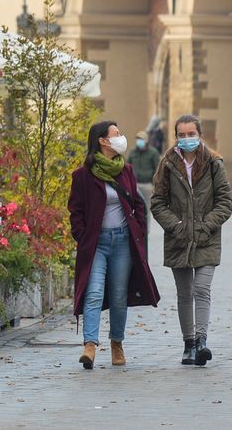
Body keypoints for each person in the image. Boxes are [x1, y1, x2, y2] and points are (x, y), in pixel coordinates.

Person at [67, 120, 160, 369]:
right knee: (94, 291)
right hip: (96, 243)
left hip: (122, 242)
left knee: (118, 296)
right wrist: (83, 235)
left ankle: (116, 343)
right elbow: (75, 210)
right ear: (103, 141)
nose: (122, 138)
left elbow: (138, 205)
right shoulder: (83, 175)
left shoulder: (125, 170)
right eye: (116, 134)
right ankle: (89, 345)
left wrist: (137, 230)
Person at [149, 114, 232, 367]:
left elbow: (225, 202)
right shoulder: (168, 163)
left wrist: (206, 226)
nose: (187, 139)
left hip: (207, 238)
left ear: (200, 135)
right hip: (178, 239)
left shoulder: (213, 163)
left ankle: (201, 342)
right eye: (182, 135)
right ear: (176, 137)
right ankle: (188, 345)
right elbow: (157, 202)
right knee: (185, 293)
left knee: (201, 289)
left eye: (191, 134)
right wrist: (175, 226)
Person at [126, 130, 160, 205]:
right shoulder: (132, 152)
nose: (139, 141)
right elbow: (127, 167)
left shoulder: (153, 152)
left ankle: (148, 217)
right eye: (138, 139)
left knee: (148, 207)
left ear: (146, 140)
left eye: (141, 139)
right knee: (136, 206)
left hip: (148, 185)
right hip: (135, 184)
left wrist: (154, 184)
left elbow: (158, 169)